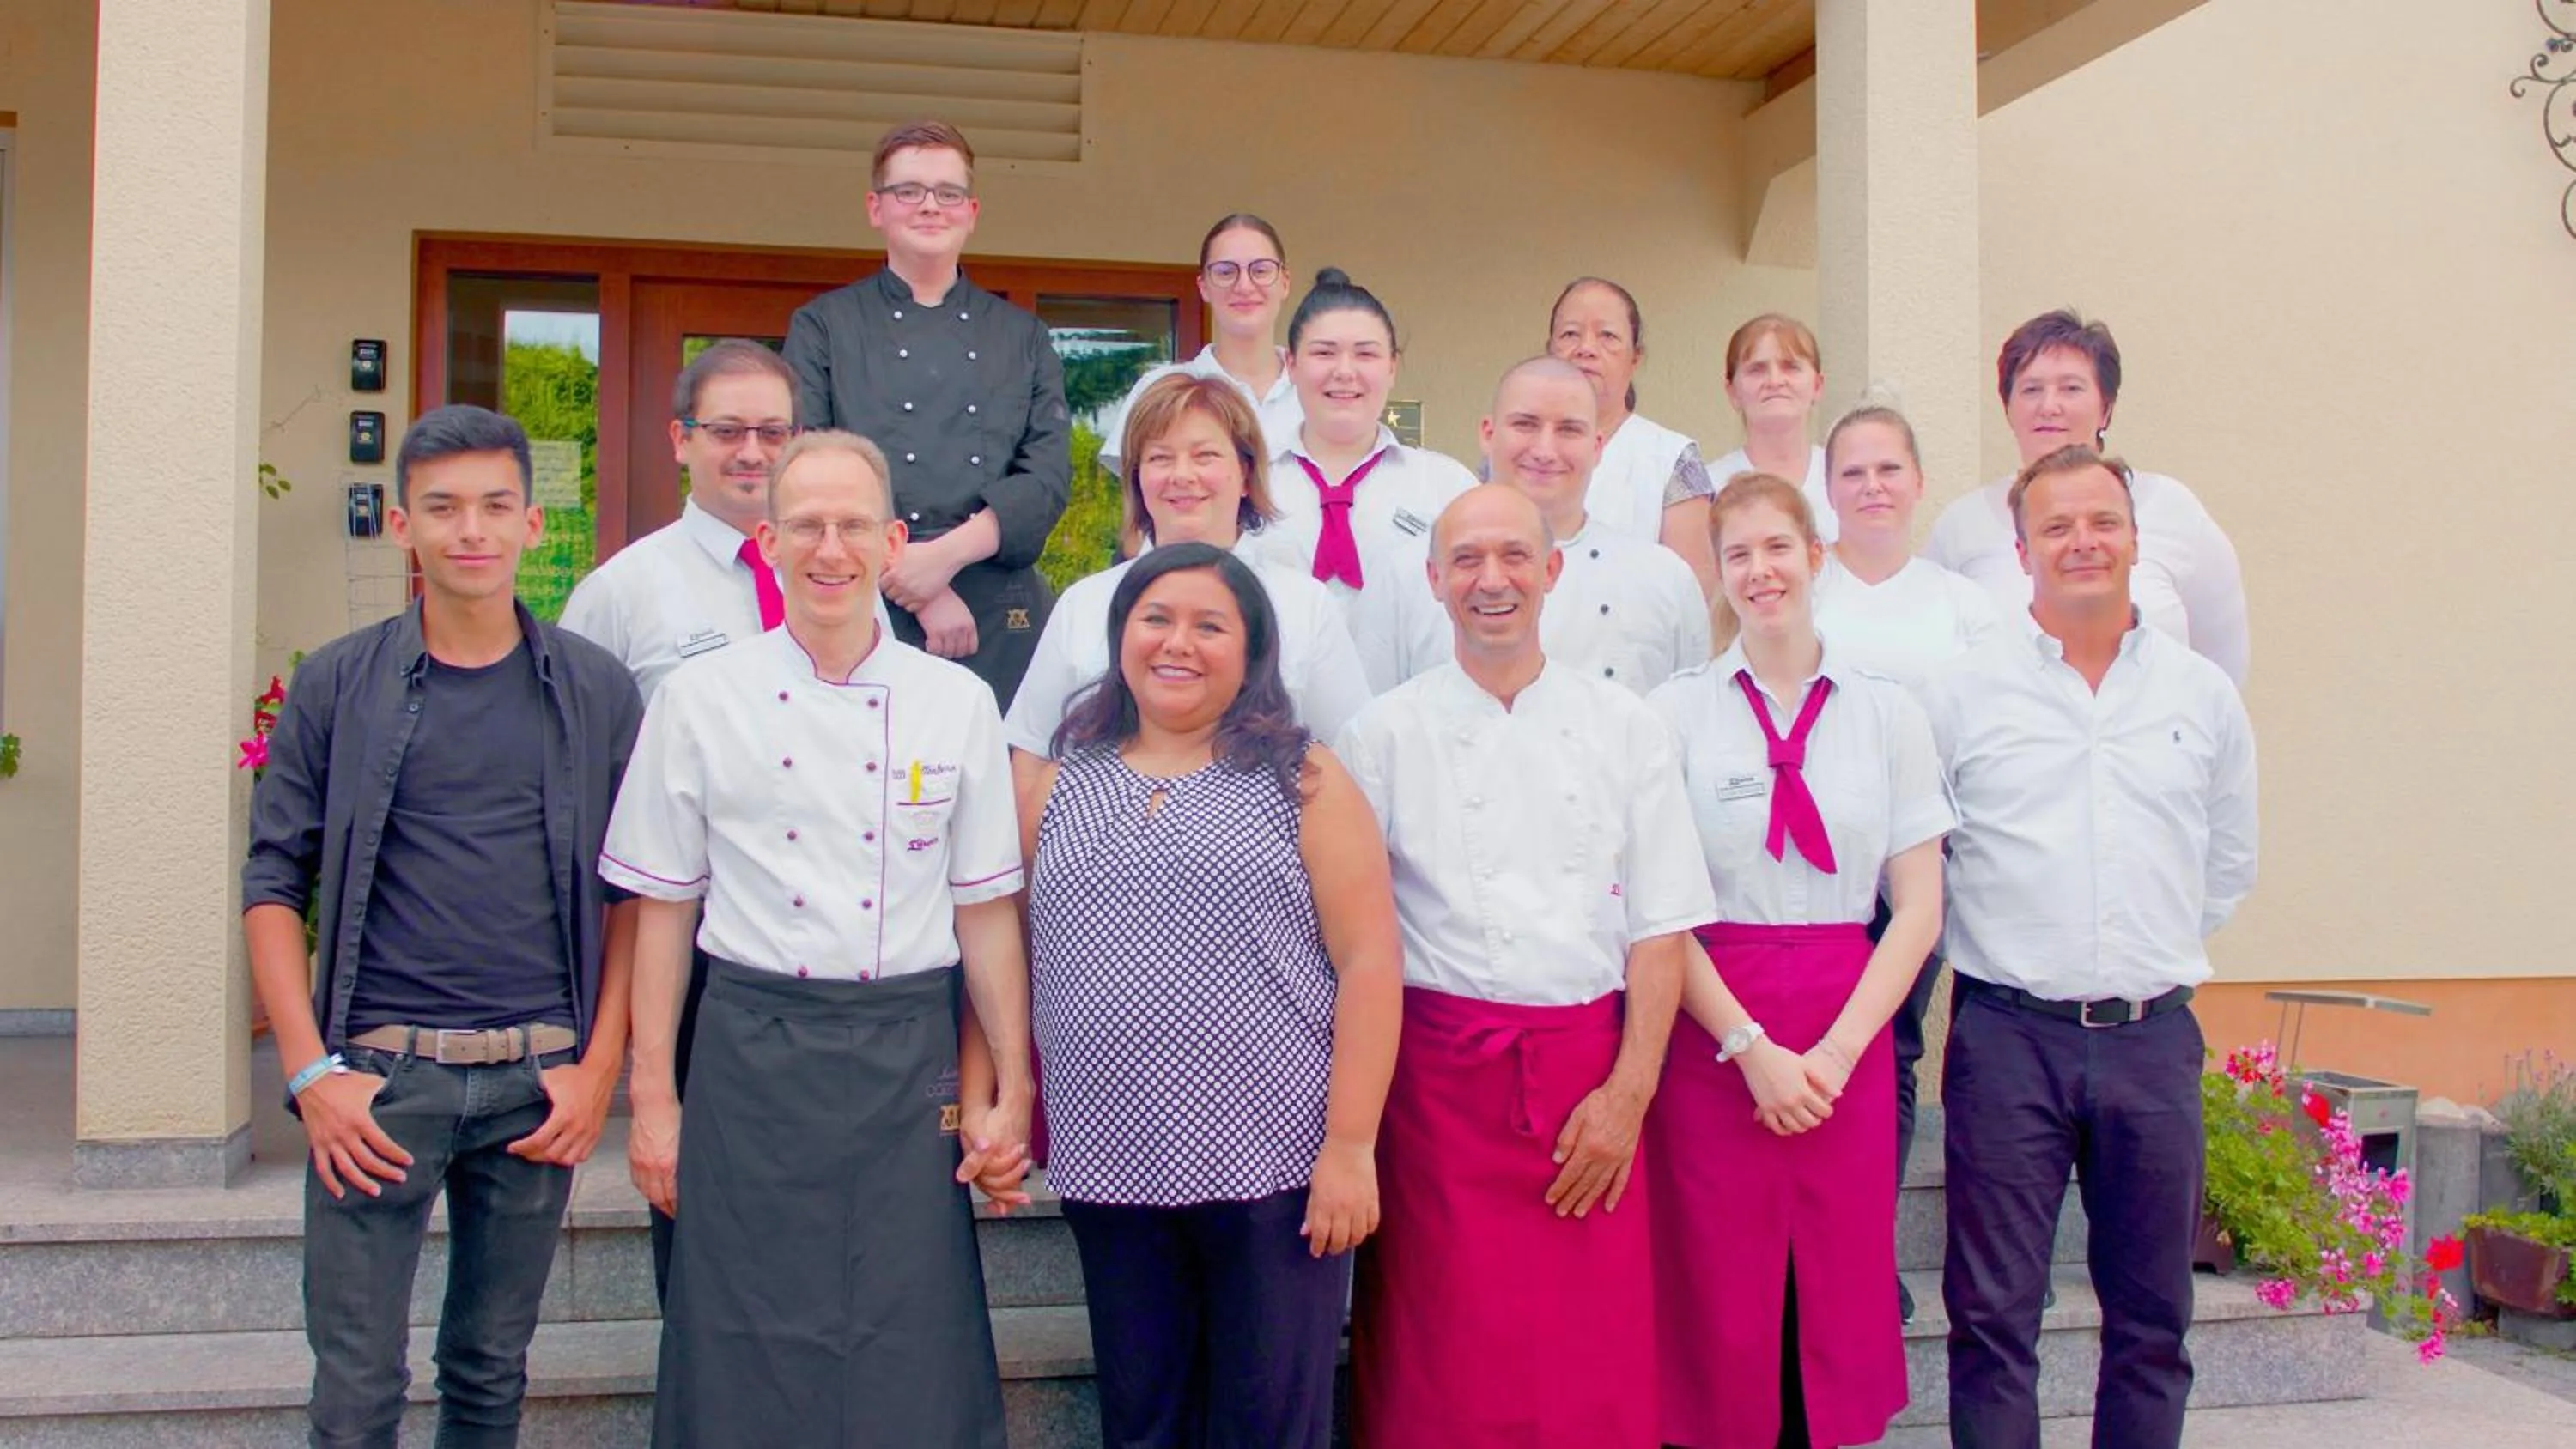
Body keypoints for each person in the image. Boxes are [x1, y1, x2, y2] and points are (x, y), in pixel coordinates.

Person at [604, 430, 1036, 1448]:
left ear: (891, 542)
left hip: (905, 1057)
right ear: (768, 540)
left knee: (909, 1337)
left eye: (852, 525)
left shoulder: (957, 702)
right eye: (806, 525)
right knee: (739, 1333)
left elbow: (984, 912)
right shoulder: (699, 699)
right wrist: (653, 1095)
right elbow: (663, 908)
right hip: (751, 1048)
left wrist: (1013, 1082)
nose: (829, 548)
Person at [241, 404, 643, 1449]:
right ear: (403, 525)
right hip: (378, 1083)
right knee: (358, 1383)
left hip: (535, 1082)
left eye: (495, 506)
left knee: (488, 1369)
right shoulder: (340, 681)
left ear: (533, 525)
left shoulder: (594, 688)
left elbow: (635, 889)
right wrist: (308, 1073)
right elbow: (273, 881)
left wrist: (600, 1067)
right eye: (444, 507)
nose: (471, 529)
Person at [1337, 485, 1716, 1449]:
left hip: (1588, 1082)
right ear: (1434, 580)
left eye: (1514, 556)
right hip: (1433, 1096)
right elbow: (1355, 942)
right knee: (1439, 1360)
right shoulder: (1380, 734)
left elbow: (1662, 928)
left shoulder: (1626, 724)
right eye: (1465, 559)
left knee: (1587, 1365)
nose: (1490, 578)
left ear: (1552, 572)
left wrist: (1629, 1096)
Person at [1021, 541, 1403, 1449]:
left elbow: (1370, 959)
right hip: (1113, 1162)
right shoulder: (1055, 784)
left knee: (1266, 1421)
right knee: (1143, 1418)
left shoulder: (1303, 777)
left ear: (1252, 649)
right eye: (1155, 619)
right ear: (1120, 639)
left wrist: (1350, 1145)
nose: (1177, 642)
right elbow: (1004, 949)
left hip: (1272, 1171)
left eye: (1208, 624)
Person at [1925, 445, 2257, 1449]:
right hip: (2006, 1037)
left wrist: (2134, 957)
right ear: (2022, 551)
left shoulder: (2201, 697)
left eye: (2101, 522)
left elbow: (2227, 861)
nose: (2083, 542)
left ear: (2133, 540)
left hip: (2153, 1038)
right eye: (2058, 527)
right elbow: (1924, 859)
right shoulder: (1961, 693)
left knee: (2153, 1319)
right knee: (1992, 1318)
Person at [1643, 471, 1951, 1449]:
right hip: (1710, 1028)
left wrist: (1836, 1053)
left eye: (1778, 548)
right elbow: (1658, 907)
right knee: (1717, 1281)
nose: (1761, 571)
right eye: (1739, 555)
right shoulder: (1675, 713)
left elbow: (1918, 907)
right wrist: (1750, 1045)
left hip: (1843, 1029)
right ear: (1721, 576)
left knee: (1830, 1277)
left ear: (1815, 557)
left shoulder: (1886, 713)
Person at [557, 337, 807, 1305]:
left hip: (823, 952)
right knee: (702, 1202)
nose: (752, 451)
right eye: (727, 430)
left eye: (773, 431)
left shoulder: (836, 571)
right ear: (679, 440)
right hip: (692, 947)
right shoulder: (625, 591)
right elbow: (580, 777)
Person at [1811, 403, 2001, 1321]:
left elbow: (1992, 743)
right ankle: (1815, 1247)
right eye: (1853, 472)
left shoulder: (1965, 610)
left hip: (1919, 876)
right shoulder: (1803, 592)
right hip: (1810, 879)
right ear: (1828, 487)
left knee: (1889, 1051)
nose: (1873, 487)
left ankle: (1865, 1255)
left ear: (1919, 482)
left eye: (1889, 469)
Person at [783, 119, 1072, 706]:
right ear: (876, 208)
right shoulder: (823, 328)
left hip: (1000, 614)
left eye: (947, 193)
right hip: (866, 604)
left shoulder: (1023, 337)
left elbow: (1046, 478)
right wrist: (918, 586)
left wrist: (944, 558)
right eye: (909, 191)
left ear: (971, 211)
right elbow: (809, 470)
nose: (929, 207)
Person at [1004, 373, 1372, 792]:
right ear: (1137, 478)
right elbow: (1031, 756)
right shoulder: (1085, 604)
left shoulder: (1304, 604)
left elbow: (1350, 757)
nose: (1182, 475)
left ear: (1246, 472)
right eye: (1160, 458)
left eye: (1205, 456)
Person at [1924, 308, 2250, 689]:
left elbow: (2222, 668)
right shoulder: (1964, 524)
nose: (2049, 406)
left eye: (2071, 388)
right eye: (2031, 390)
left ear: (2106, 408)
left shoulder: (2174, 510)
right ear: (2009, 409)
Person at [1359, 357, 1709, 695]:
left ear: (1597, 446)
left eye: (1568, 430)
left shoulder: (1663, 578)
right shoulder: (1407, 573)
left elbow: (1688, 728)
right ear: (1488, 433)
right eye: (1525, 425)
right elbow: (1374, 729)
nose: (1544, 450)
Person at [1232, 267, 1477, 646]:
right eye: (1324, 353)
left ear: (1392, 367)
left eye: (1365, 354)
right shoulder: (1244, 482)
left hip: (1408, 701)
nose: (1345, 372)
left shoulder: (1447, 486)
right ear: (1292, 366)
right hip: (1270, 702)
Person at [1546, 276, 1719, 593]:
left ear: (1634, 358)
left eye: (1607, 336)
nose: (1586, 348)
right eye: (1570, 334)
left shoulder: (1671, 459)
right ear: (1549, 351)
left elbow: (1694, 595)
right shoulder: (1516, 450)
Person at [1097, 214, 1303, 478]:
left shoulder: (1321, 388)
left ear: (1285, 282)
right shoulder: (1159, 389)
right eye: (1226, 272)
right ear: (1204, 287)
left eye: (1261, 270)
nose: (1244, 285)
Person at [1705, 313, 1838, 544]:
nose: (1775, 381)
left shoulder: (1847, 477)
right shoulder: (1709, 488)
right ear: (1732, 392)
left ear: (1817, 385)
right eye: (1756, 369)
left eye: (1791, 367)